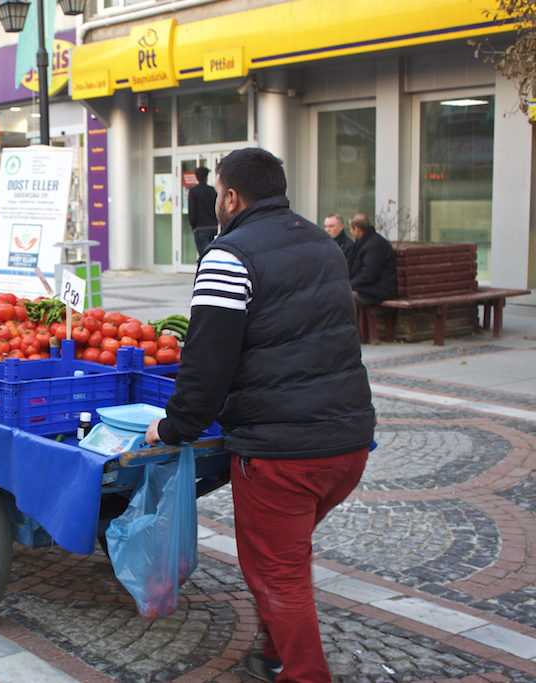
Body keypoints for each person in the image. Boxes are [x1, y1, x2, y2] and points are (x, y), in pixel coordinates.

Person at [144, 148, 374, 683]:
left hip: (283, 455)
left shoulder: (228, 255)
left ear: (230, 197)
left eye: (220, 193)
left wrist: (173, 428)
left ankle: (300, 672)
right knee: (285, 558)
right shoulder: (323, 242)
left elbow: (205, 366)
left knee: (277, 569)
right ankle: (273, 646)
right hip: (349, 442)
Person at [347, 213, 397, 306]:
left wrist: (348, 285)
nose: (350, 231)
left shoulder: (373, 246)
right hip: (369, 288)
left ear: (357, 229)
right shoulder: (366, 242)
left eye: (350, 228)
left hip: (378, 291)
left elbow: (368, 275)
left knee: (341, 297)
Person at [187, 166, 218, 256]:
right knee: (212, 254)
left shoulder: (193, 191)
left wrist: (193, 225)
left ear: (196, 177)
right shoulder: (212, 190)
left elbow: (192, 210)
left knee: (203, 255)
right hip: (212, 226)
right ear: (206, 177)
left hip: (200, 227)